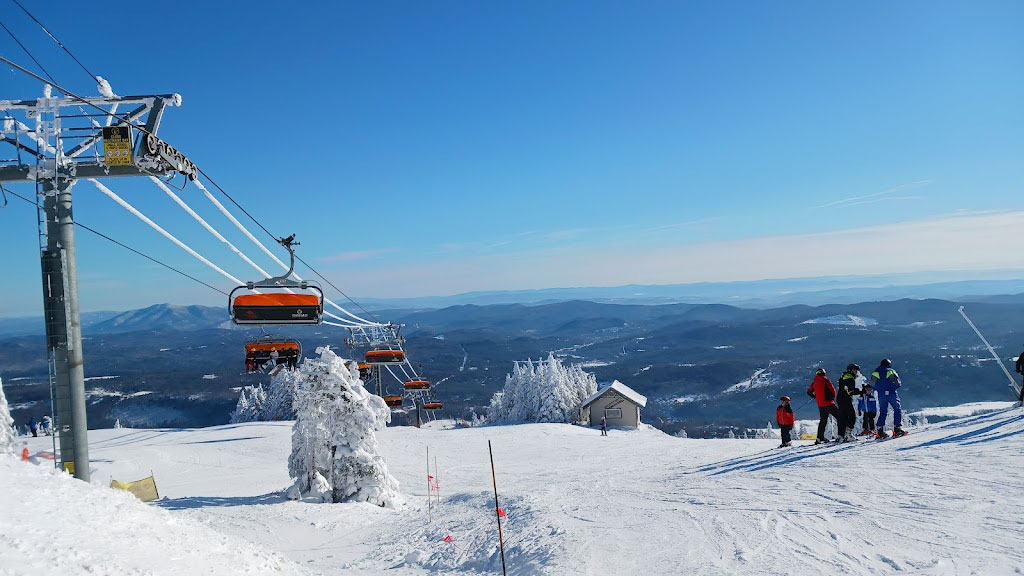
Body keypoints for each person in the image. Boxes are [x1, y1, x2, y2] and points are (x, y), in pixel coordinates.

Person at [870, 359, 905, 438]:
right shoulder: (890, 371)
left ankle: (880, 430)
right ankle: (897, 429)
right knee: (897, 409)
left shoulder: (876, 372)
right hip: (892, 393)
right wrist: (890, 388)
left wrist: (879, 389)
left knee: (883, 412)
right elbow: (897, 383)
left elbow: (872, 383)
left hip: (881, 394)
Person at [807, 368, 840, 444]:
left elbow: (809, 392)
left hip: (820, 405)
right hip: (828, 403)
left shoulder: (814, 382)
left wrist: (816, 397)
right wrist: (831, 399)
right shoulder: (826, 380)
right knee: (839, 417)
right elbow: (833, 391)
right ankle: (841, 435)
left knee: (823, 420)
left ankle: (819, 437)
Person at [836, 364, 863, 442]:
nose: (857, 373)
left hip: (840, 398)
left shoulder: (844, 376)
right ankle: (848, 434)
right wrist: (860, 391)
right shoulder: (850, 378)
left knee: (842, 417)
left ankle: (840, 435)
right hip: (845, 399)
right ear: (851, 370)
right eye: (856, 371)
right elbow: (850, 391)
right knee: (852, 416)